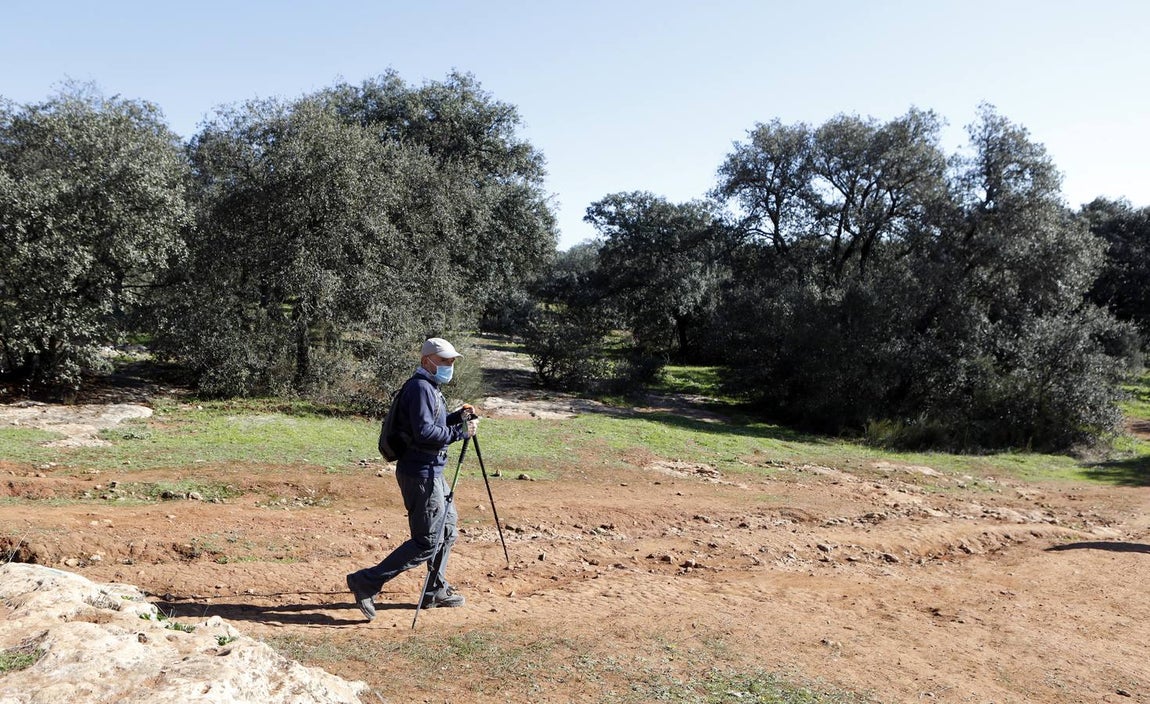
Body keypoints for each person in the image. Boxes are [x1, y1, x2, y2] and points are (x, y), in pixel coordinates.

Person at [346, 337, 478, 622]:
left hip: (432, 472)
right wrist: (460, 434)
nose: (449, 366)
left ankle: (435, 590)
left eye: (452, 362)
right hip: (421, 474)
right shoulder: (420, 388)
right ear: (427, 361)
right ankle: (366, 581)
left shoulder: (429, 387)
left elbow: (431, 425)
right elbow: (425, 434)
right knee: (427, 540)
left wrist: (457, 418)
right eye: (445, 362)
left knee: (448, 530)